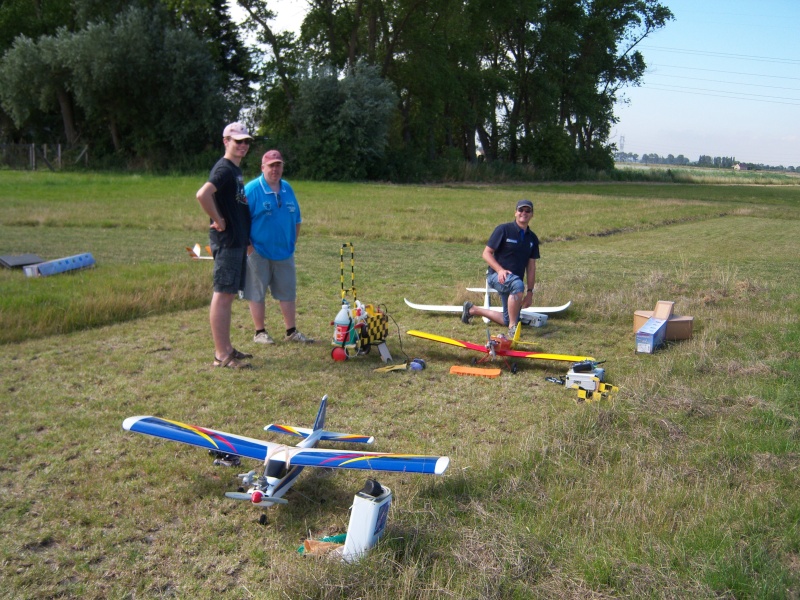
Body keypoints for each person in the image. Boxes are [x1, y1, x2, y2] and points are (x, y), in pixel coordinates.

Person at [195, 122, 254, 369]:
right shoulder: (224, 169)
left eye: (246, 141)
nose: (242, 145)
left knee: (228, 295)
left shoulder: (234, 170)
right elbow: (202, 194)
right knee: (222, 295)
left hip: (237, 241)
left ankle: (227, 348)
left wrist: (246, 238)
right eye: (237, 140)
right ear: (225, 141)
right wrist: (218, 220)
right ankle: (221, 354)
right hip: (227, 241)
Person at [243, 150, 314, 344]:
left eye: (278, 165)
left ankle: (291, 331)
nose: (275, 169)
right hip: (258, 251)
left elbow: (297, 218)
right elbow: (240, 221)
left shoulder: (287, 188)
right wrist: (249, 248)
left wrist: (292, 242)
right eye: (271, 165)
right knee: (256, 292)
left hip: (284, 252)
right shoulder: (251, 189)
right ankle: (260, 332)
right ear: (262, 167)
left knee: (287, 292)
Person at [462, 199, 540, 337]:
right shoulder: (503, 230)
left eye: (528, 211)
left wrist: (530, 293)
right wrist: (500, 270)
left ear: (532, 215)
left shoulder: (532, 238)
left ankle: (472, 310)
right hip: (496, 276)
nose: (524, 213)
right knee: (517, 286)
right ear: (515, 212)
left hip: (514, 283)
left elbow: (531, 266)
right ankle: (512, 328)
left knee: (507, 318)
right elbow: (486, 253)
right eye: (521, 210)